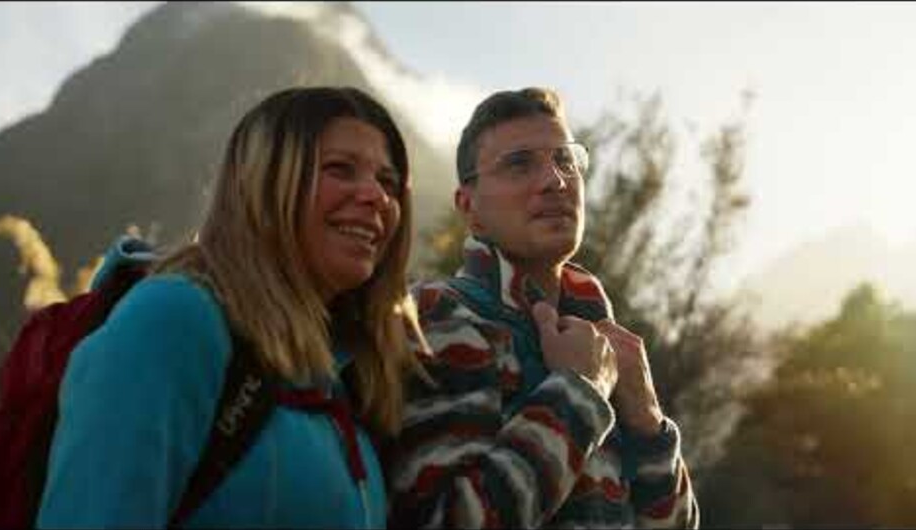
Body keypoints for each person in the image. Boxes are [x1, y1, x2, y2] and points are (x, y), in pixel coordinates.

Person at [35, 86, 425, 528]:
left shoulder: (349, 375)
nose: (377, 196)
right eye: (340, 168)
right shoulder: (174, 319)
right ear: (263, 182)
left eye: (388, 182)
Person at [386, 87, 699, 528]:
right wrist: (579, 393)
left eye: (565, 160)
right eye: (519, 164)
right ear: (469, 208)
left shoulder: (606, 343)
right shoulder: (437, 317)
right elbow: (446, 521)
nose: (556, 180)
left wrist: (649, 423)